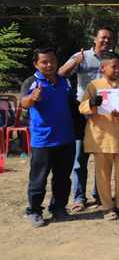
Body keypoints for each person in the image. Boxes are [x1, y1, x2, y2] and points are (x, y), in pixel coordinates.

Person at [58, 26, 116, 212]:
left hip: (104, 114)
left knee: (102, 156)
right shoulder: (81, 55)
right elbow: (61, 73)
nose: (106, 41)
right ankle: (79, 197)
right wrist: (75, 62)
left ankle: (99, 194)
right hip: (82, 113)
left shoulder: (113, 58)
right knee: (79, 158)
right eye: (103, 38)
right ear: (95, 38)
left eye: (109, 38)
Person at [20, 47, 76, 228]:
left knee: (62, 177)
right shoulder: (32, 82)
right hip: (42, 140)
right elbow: (23, 103)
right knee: (39, 179)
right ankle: (35, 211)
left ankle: (58, 208)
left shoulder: (65, 82)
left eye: (52, 60)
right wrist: (32, 98)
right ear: (36, 64)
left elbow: (71, 105)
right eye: (44, 62)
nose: (49, 64)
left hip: (66, 138)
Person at [78, 51, 119, 220]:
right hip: (101, 137)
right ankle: (107, 207)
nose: (118, 70)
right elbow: (82, 108)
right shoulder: (94, 86)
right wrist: (92, 103)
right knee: (102, 174)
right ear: (103, 68)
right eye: (114, 66)